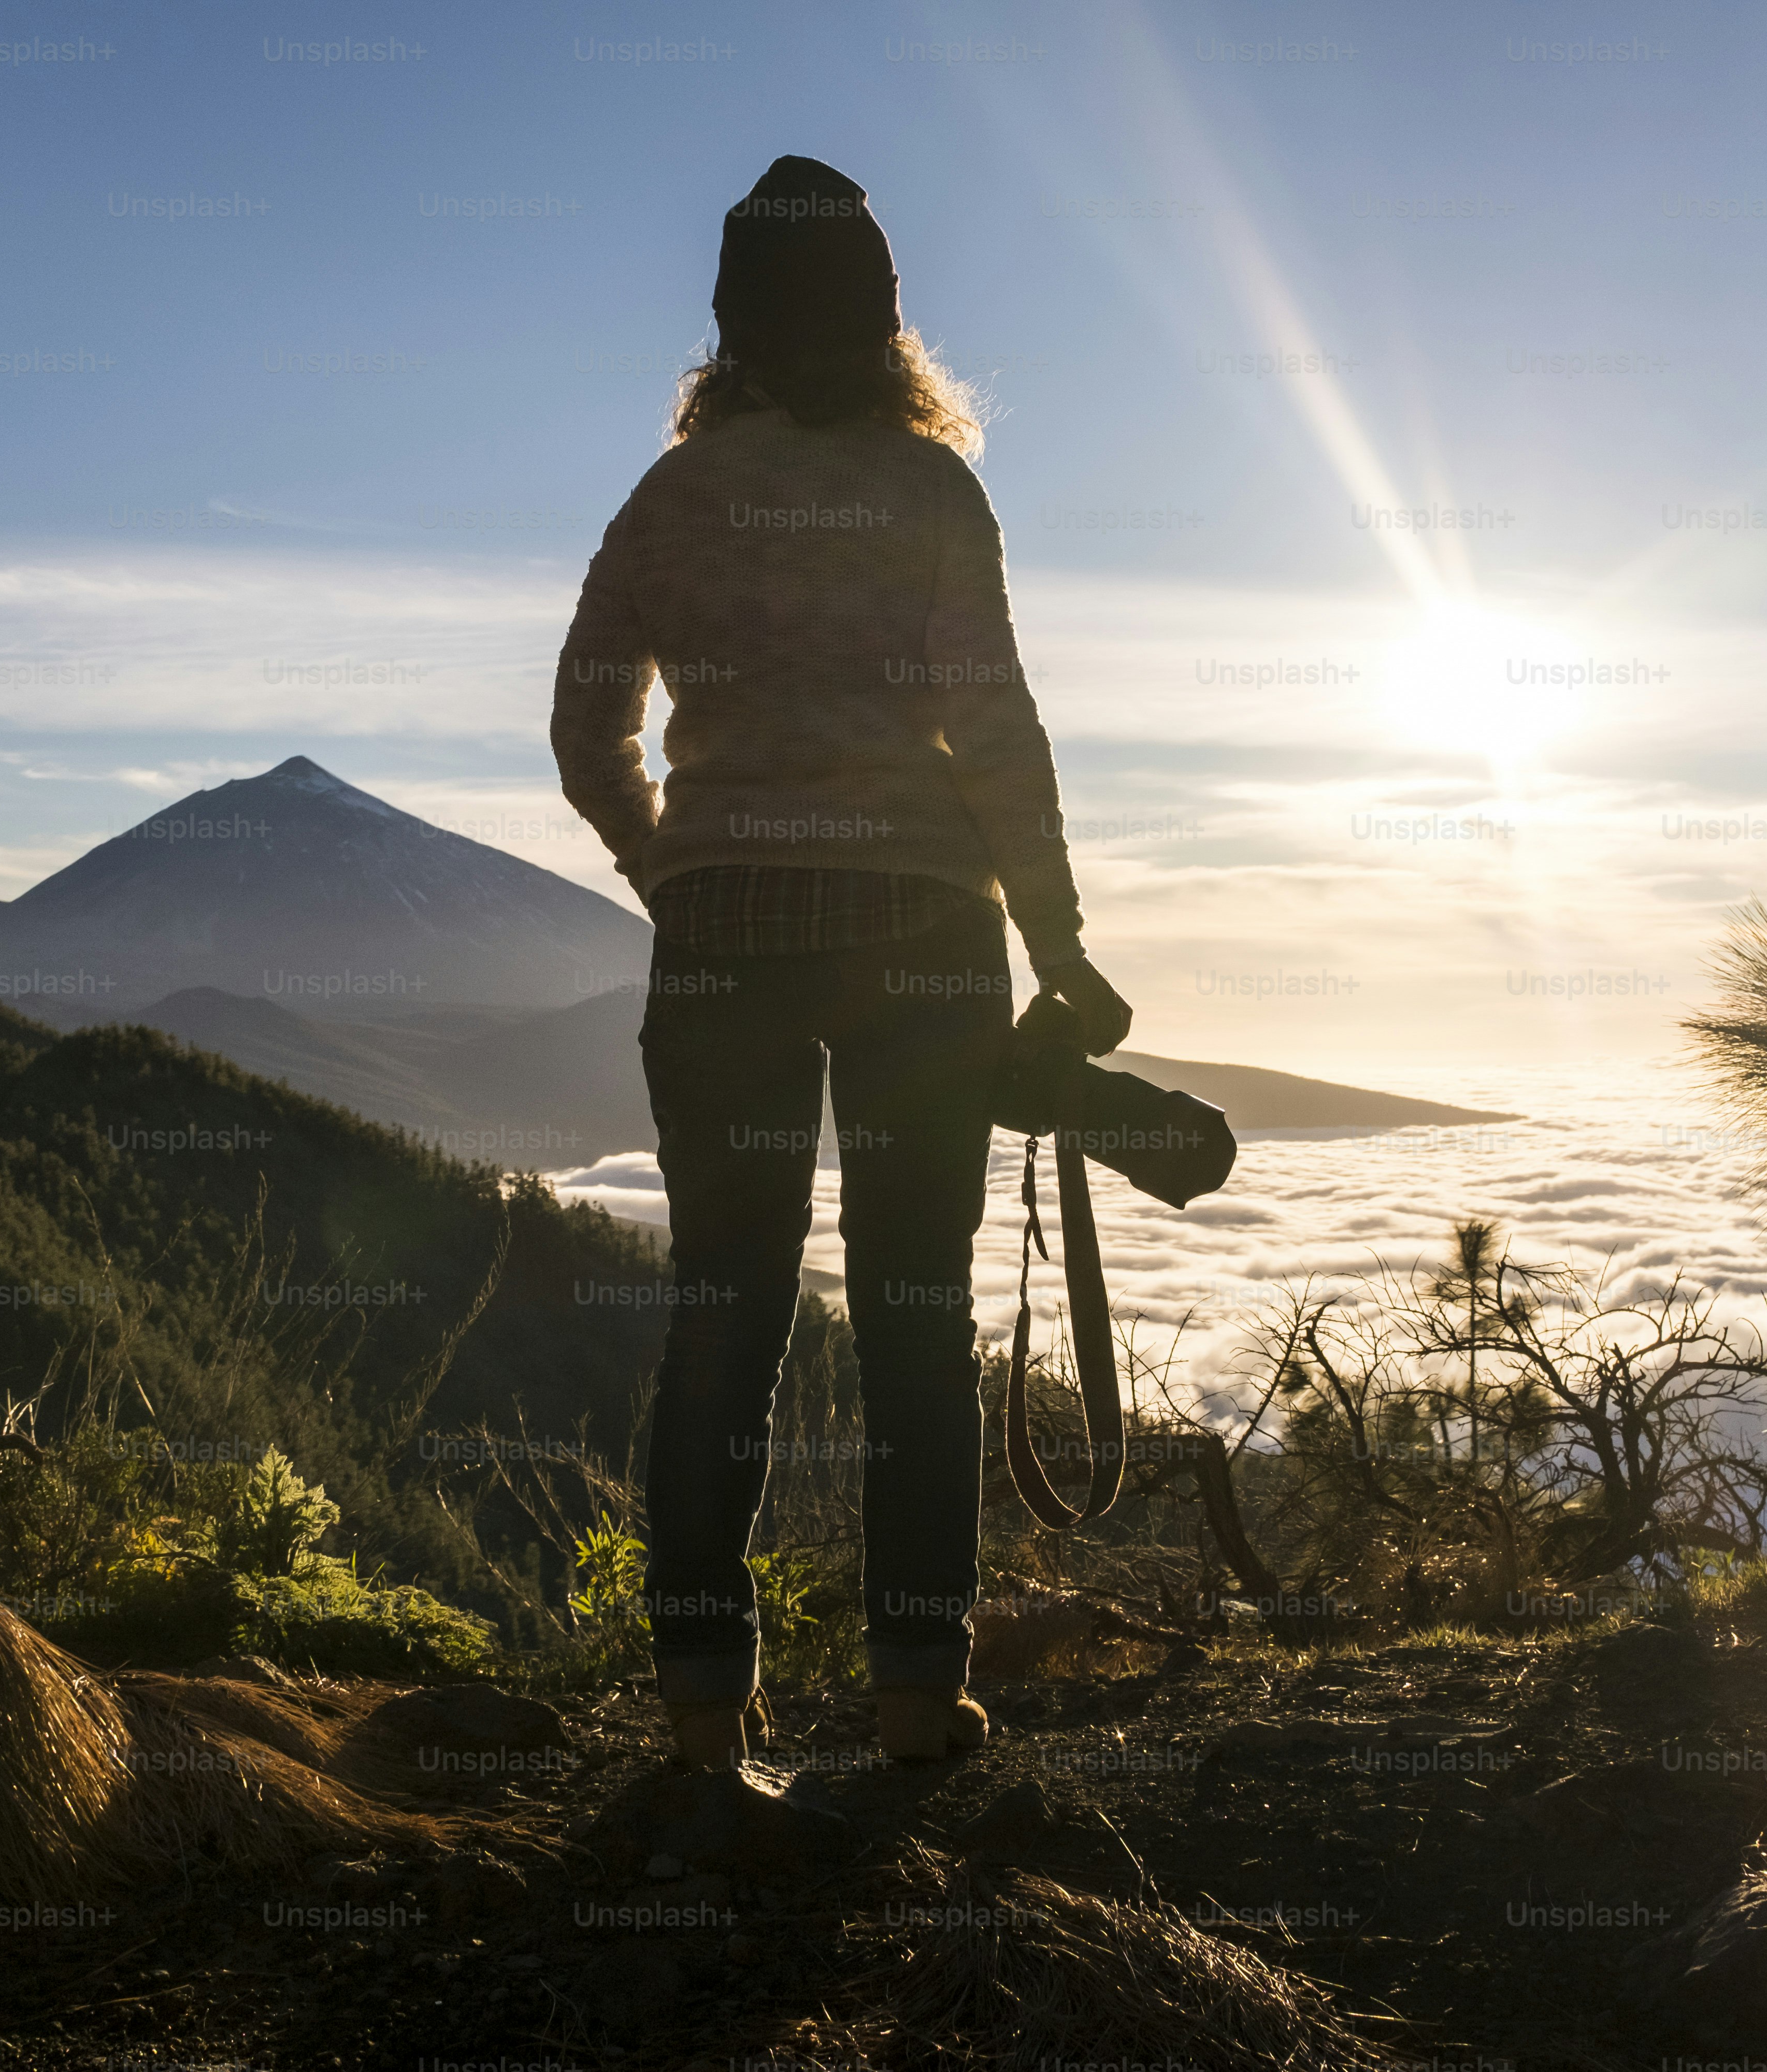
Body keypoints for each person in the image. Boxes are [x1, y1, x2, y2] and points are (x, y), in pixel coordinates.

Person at [552, 153, 1131, 1770]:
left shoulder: (670, 500)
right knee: (913, 1313)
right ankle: (911, 1695)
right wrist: (1059, 939)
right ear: (886, 320)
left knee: (721, 1314)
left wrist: (671, 864)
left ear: (727, 327)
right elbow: (997, 729)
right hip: (924, 938)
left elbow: (585, 727)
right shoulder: (931, 492)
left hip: (725, 939)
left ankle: (695, 1717)